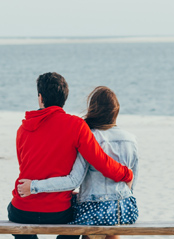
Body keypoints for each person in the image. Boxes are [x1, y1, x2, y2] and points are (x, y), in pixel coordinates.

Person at [10, 73, 134, 239]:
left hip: (22, 209)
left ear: (40, 98)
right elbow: (100, 161)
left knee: (14, 214)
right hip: (58, 211)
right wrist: (126, 174)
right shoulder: (76, 125)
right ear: (65, 99)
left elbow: (27, 167)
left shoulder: (23, 129)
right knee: (75, 219)